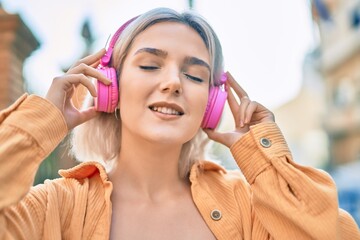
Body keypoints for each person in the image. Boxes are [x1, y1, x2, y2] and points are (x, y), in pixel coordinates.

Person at [0, 7, 359, 240]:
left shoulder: (250, 207)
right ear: (110, 86)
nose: (173, 82)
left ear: (211, 103)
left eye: (194, 75)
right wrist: (40, 122)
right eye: (150, 65)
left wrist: (262, 156)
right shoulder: (53, 208)